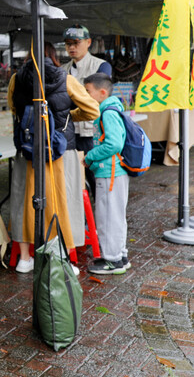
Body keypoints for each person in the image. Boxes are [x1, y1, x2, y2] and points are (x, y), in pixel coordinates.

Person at [8, 43, 99, 275]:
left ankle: (25, 259)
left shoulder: (16, 80)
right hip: (61, 151)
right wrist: (68, 115)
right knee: (62, 201)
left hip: (27, 151)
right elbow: (92, 110)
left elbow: (13, 109)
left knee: (23, 202)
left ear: (29, 56)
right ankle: (63, 260)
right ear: (53, 56)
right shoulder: (66, 79)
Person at [83, 73, 132, 275]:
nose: (86, 96)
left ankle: (112, 261)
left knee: (107, 216)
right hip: (114, 173)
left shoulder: (108, 113)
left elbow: (113, 144)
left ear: (102, 92)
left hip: (109, 173)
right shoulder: (111, 109)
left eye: (88, 92)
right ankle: (120, 256)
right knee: (116, 215)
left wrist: (89, 156)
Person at [61, 25, 113, 195]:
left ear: (88, 42)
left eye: (76, 42)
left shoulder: (102, 66)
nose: (72, 47)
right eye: (68, 44)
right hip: (69, 131)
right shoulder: (62, 70)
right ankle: (79, 215)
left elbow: (96, 99)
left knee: (95, 175)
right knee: (71, 176)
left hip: (91, 131)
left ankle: (98, 213)